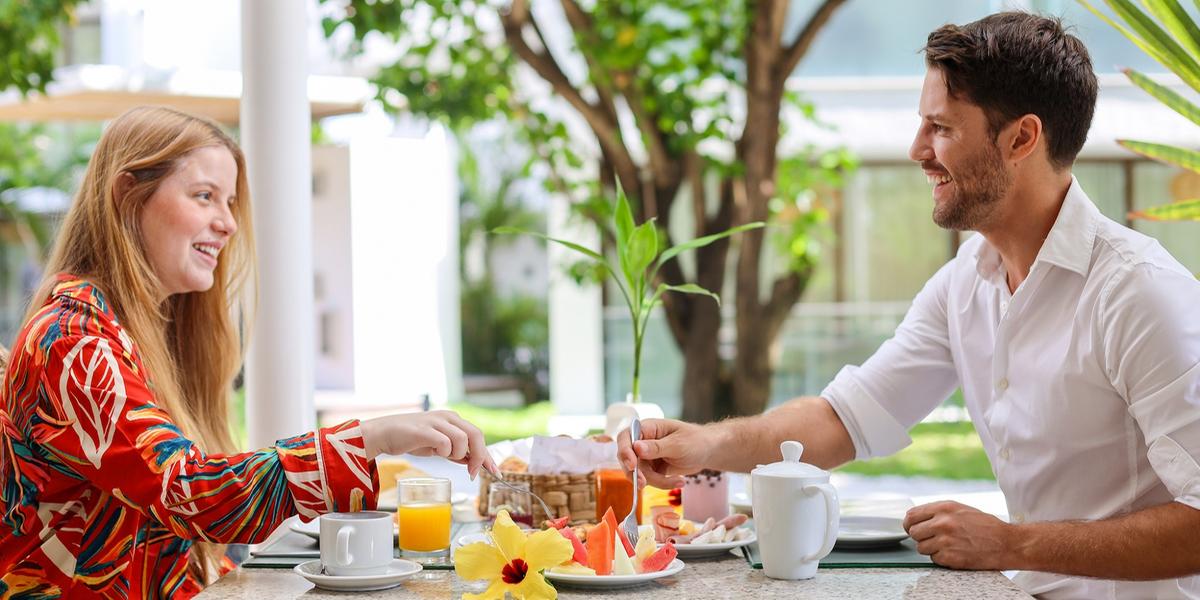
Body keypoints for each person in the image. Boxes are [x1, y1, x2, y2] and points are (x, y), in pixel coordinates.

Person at [619, 12, 1200, 599]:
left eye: (940, 127)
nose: (916, 150)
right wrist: (704, 445)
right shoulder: (964, 285)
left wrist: (1011, 544)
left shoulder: (1138, 294)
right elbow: (841, 420)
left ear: (1021, 138)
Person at [0, 106, 496, 599]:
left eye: (230, 202)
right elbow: (186, 494)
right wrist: (368, 439)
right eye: (204, 196)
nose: (228, 223)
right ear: (128, 195)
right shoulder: (73, 341)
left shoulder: (136, 331)